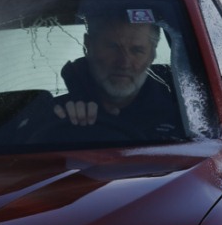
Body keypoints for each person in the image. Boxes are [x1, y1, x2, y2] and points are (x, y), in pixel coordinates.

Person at [18, 8, 184, 141]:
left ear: (152, 55)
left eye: (136, 50)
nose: (124, 63)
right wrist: (62, 124)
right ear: (88, 45)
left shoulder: (185, 115)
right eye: (113, 47)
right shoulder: (55, 114)